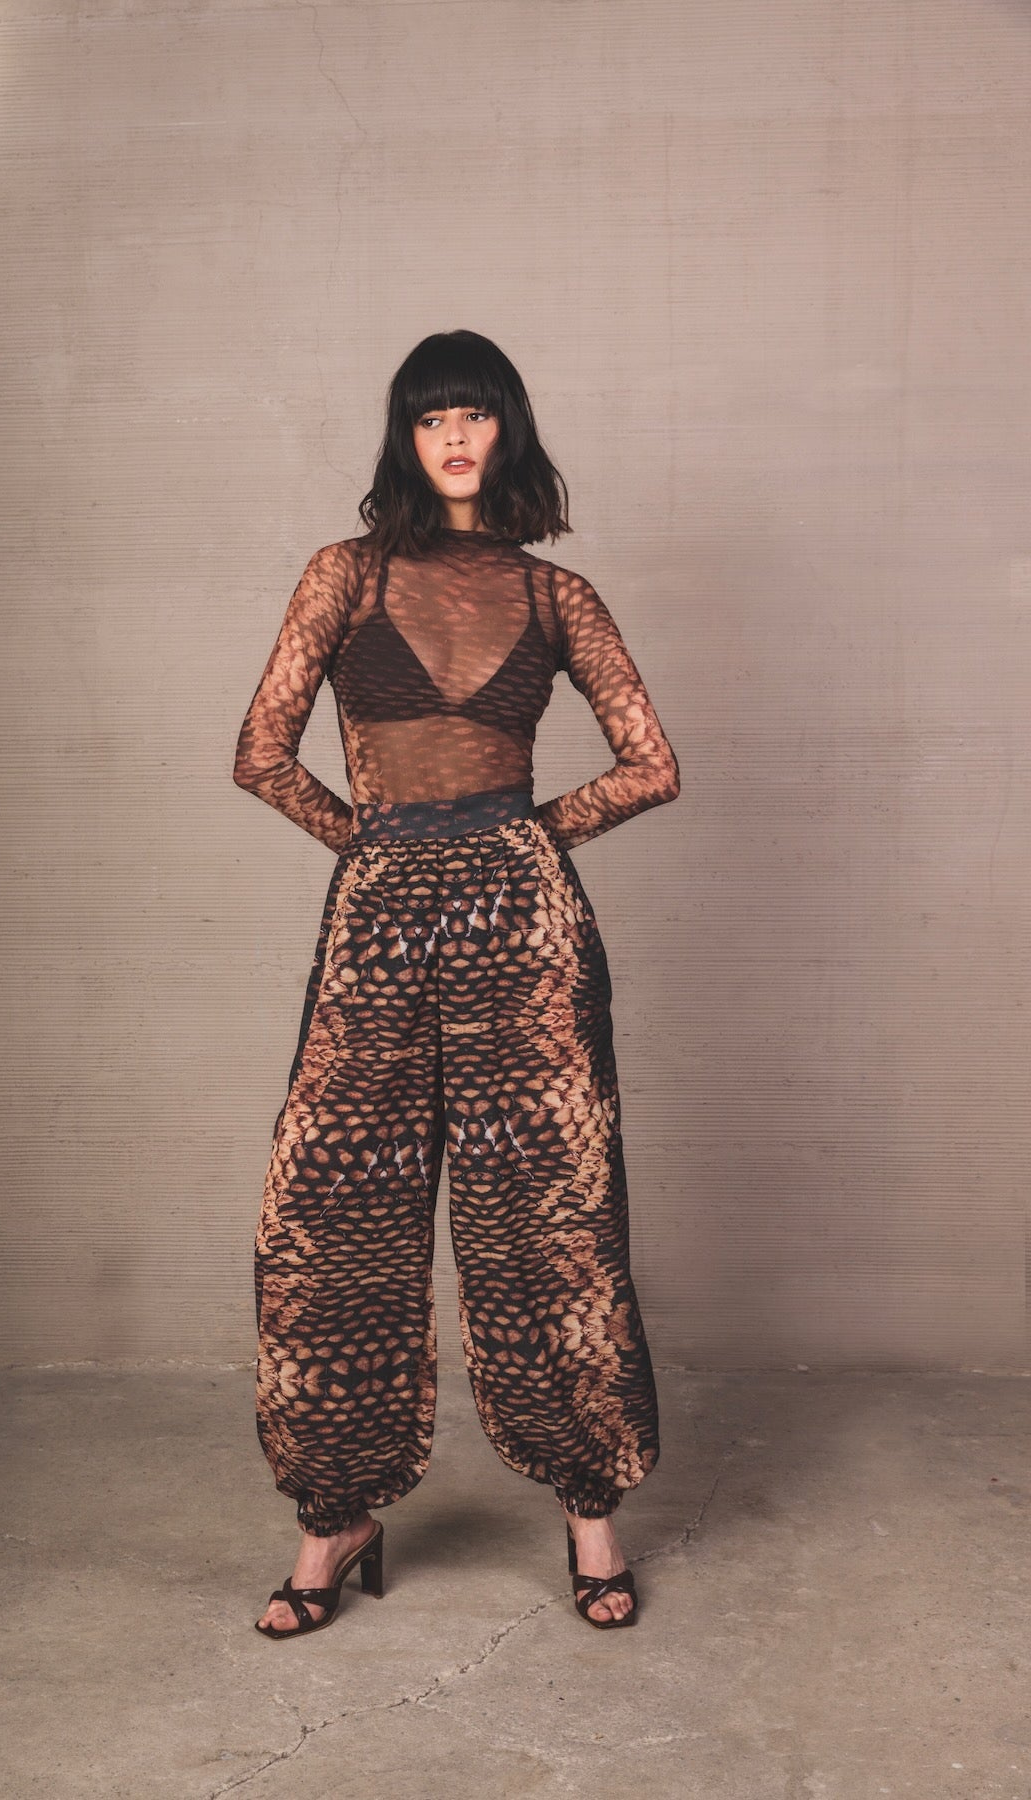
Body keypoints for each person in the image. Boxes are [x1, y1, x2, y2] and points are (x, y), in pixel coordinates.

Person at [234, 329, 681, 1637]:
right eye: (432, 417)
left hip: (525, 937)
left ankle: (592, 1516)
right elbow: (261, 752)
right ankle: (335, 1520)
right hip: (380, 929)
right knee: (329, 1218)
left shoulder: (557, 597)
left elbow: (653, 764)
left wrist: (527, 836)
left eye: (476, 414)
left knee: (554, 1216)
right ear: (406, 438)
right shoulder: (344, 575)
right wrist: (376, 847)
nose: (455, 437)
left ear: (508, 430)